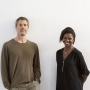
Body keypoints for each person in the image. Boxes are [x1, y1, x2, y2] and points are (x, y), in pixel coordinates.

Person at [1, 17, 41, 90]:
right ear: (16, 27)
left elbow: (37, 67)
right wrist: (9, 86)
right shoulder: (7, 45)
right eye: (20, 25)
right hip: (16, 86)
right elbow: (4, 68)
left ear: (28, 27)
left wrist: (36, 81)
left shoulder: (33, 46)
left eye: (25, 25)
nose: (23, 27)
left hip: (32, 86)